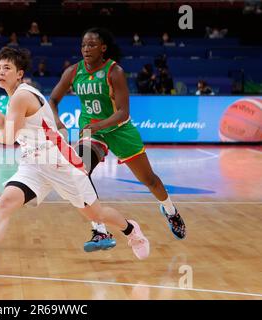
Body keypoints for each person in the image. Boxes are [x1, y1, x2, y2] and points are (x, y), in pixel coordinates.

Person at [0, 47, 150, 282]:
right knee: (5, 202)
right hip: (34, 164)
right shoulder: (14, 97)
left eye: (7, 68)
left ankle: (131, 230)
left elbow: (7, 137)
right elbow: (10, 127)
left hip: (60, 163)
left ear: (20, 74)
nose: (0, 72)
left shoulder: (22, 96)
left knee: (96, 214)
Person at [49, 28, 186, 252]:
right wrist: (59, 124)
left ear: (103, 48)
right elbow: (53, 100)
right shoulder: (73, 72)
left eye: (92, 45)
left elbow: (123, 112)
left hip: (120, 130)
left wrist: (99, 125)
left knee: (150, 180)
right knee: (79, 173)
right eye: (84, 45)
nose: (86, 49)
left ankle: (170, 210)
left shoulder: (115, 72)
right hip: (93, 132)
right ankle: (100, 229)